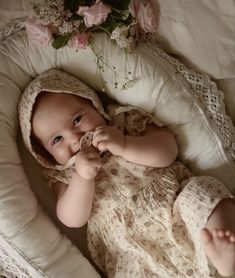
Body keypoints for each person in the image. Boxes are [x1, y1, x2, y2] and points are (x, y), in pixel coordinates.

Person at [19, 69, 235, 278]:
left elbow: (167, 151)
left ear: (94, 106)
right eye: (57, 140)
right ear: (45, 155)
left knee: (201, 191)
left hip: (175, 210)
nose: (75, 138)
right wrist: (82, 177)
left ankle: (223, 250)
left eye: (77, 120)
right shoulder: (63, 174)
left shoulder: (124, 123)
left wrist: (124, 144)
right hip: (130, 249)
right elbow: (72, 218)